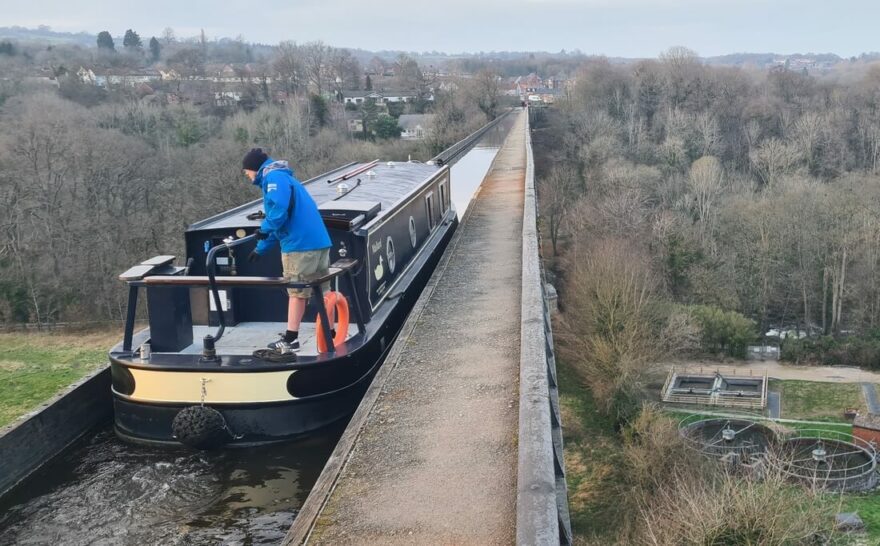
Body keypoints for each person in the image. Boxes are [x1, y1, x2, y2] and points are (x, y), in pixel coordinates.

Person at [241, 148, 332, 352]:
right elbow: (281, 221)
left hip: (299, 246)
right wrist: (261, 248)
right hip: (318, 242)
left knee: (297, 292)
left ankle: (291, 340)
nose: (247, 176)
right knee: (323, 291)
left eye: (247, 171)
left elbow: (278, 212)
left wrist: (263, 230)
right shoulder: (284, 177)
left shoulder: (273, 178)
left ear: (254, 168)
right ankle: (331, 333)